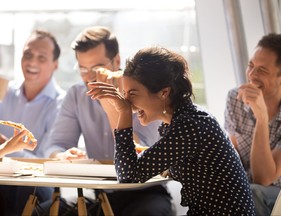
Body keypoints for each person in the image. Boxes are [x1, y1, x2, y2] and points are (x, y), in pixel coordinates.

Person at [86, 46, 256, 215]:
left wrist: (122, 112)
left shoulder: (188, 125)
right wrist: (148, 154)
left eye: (133, 93)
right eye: (124, 93)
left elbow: (128, 176)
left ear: (164, 93)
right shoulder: (185, 121)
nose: (127, 102)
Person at [40, 26, 173, 216]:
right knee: (46, 211)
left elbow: (142, 156)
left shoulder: (142, 91)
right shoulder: (77, 94)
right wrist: (61, 155)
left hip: (145, 192)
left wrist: (111, 107)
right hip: (101, 194)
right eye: (82, 68)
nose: (89, 77)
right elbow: (55, 144)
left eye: (97, 68)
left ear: (117, 61)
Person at [0, 29, 66, 215]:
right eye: (27, 55)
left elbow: (46, 161)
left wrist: (10, 148)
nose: (31, 62)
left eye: (41, 57)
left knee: (27, 188)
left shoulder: (60, 103)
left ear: (55, 65)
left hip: (35, 182)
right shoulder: (5, 92)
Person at [224, 33, 281, 215]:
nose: (252, 75)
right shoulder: (235, 98)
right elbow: (233, 154)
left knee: (250, 193)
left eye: (262, 70)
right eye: (251, 66)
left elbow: (264, 178)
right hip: (246, 188)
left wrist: (261, 118)